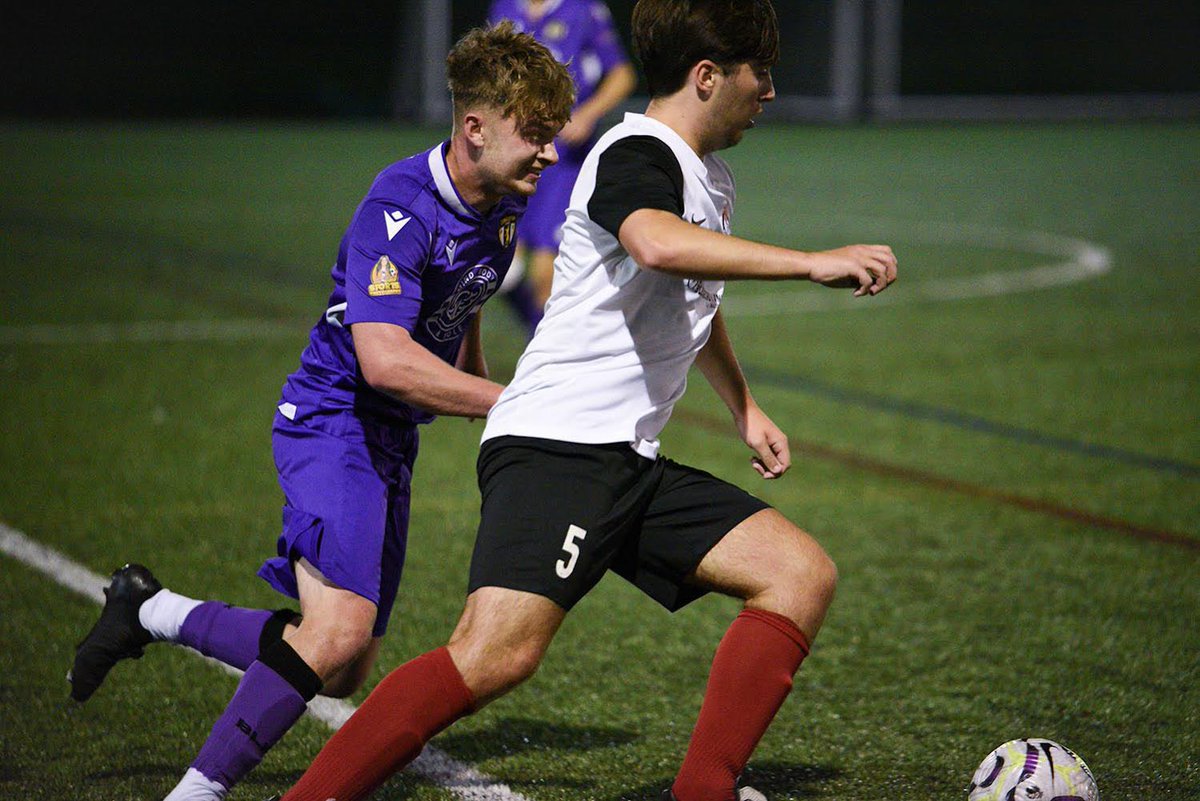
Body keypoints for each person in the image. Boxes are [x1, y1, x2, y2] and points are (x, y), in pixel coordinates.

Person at [274, 1, 897, 800]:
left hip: (624, 457)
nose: (769, 91)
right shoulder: (636, 152)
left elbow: (692, 295)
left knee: (798, 573)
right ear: (708, 76)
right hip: (556, 449)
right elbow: (655, 244)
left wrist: (744, 407)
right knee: (492, 656)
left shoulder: (706, 177)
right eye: (760, 73)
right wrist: (811, 261)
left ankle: (702, 791)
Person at [66, 22, 573, 801]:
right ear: (475, 128)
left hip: (390, 436)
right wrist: (511, 399)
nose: (551, 152)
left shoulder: (502, 204)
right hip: (334, 417)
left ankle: (149, 608)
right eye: (535, 134)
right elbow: (385, 361)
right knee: (333, 634)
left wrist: (478, 386)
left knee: (344, 662)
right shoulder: (399, 206)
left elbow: (466, 290)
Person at [488, 0, 637, 337]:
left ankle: (551, 356)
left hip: (563, 161)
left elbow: (622, 74)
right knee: (500, 270)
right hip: (512, 157)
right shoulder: (504, 7)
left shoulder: (583, 9)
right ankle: (542, 341)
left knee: (545, 277)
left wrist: (587, 114)